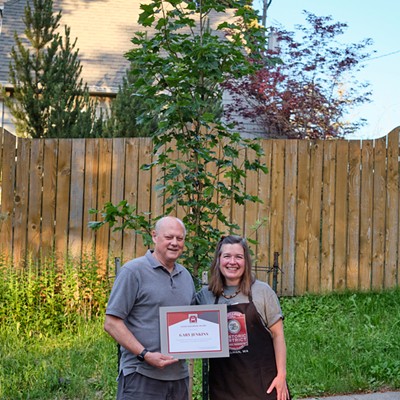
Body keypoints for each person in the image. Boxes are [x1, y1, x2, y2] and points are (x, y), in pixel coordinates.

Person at [104, 216, 196, 400]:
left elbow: (193, 320)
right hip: (141, 376)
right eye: (169, 237)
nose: (175, 243)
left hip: (178, 378)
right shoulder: (133, 271)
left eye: (180, 238)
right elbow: (112, 323)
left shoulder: (185, 276)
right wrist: (145, 354)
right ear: (154, 236)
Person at [196, 235, 291, 400]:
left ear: (246, 261)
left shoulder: (262, 292)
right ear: (218, 260)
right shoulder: (205, 297)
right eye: (227, 256)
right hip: (223, 387)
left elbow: (278, 335)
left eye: (238, 257)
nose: (232, 262)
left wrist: (281, 376)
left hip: (264, 385)